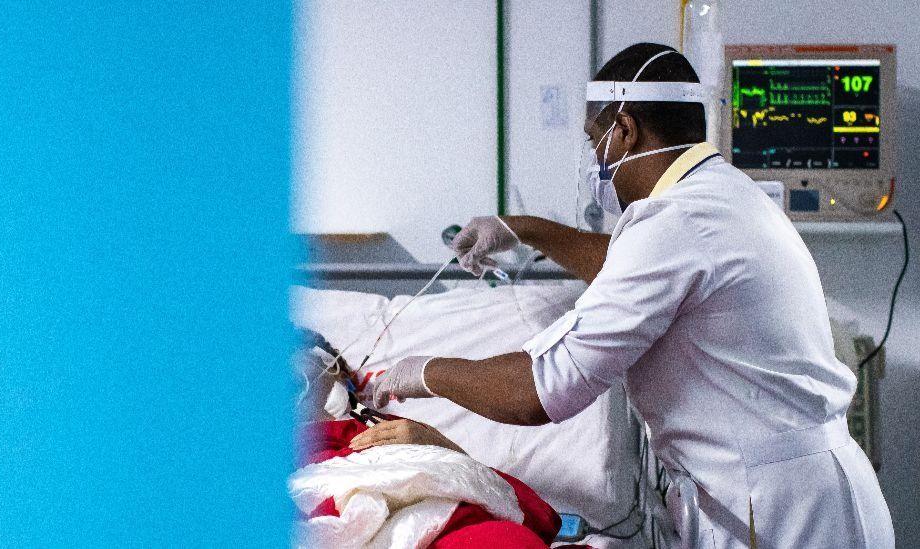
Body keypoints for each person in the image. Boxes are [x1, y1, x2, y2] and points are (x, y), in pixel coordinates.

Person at [370, 43, 894, 548]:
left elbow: (542, 390)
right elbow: (625, 270)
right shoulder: (722, 196)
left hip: (781, 510)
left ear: (623, 129)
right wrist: (523, 228)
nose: (594, 157)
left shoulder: (677, 221)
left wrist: (420, 372)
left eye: (593, 138)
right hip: (798, 492)